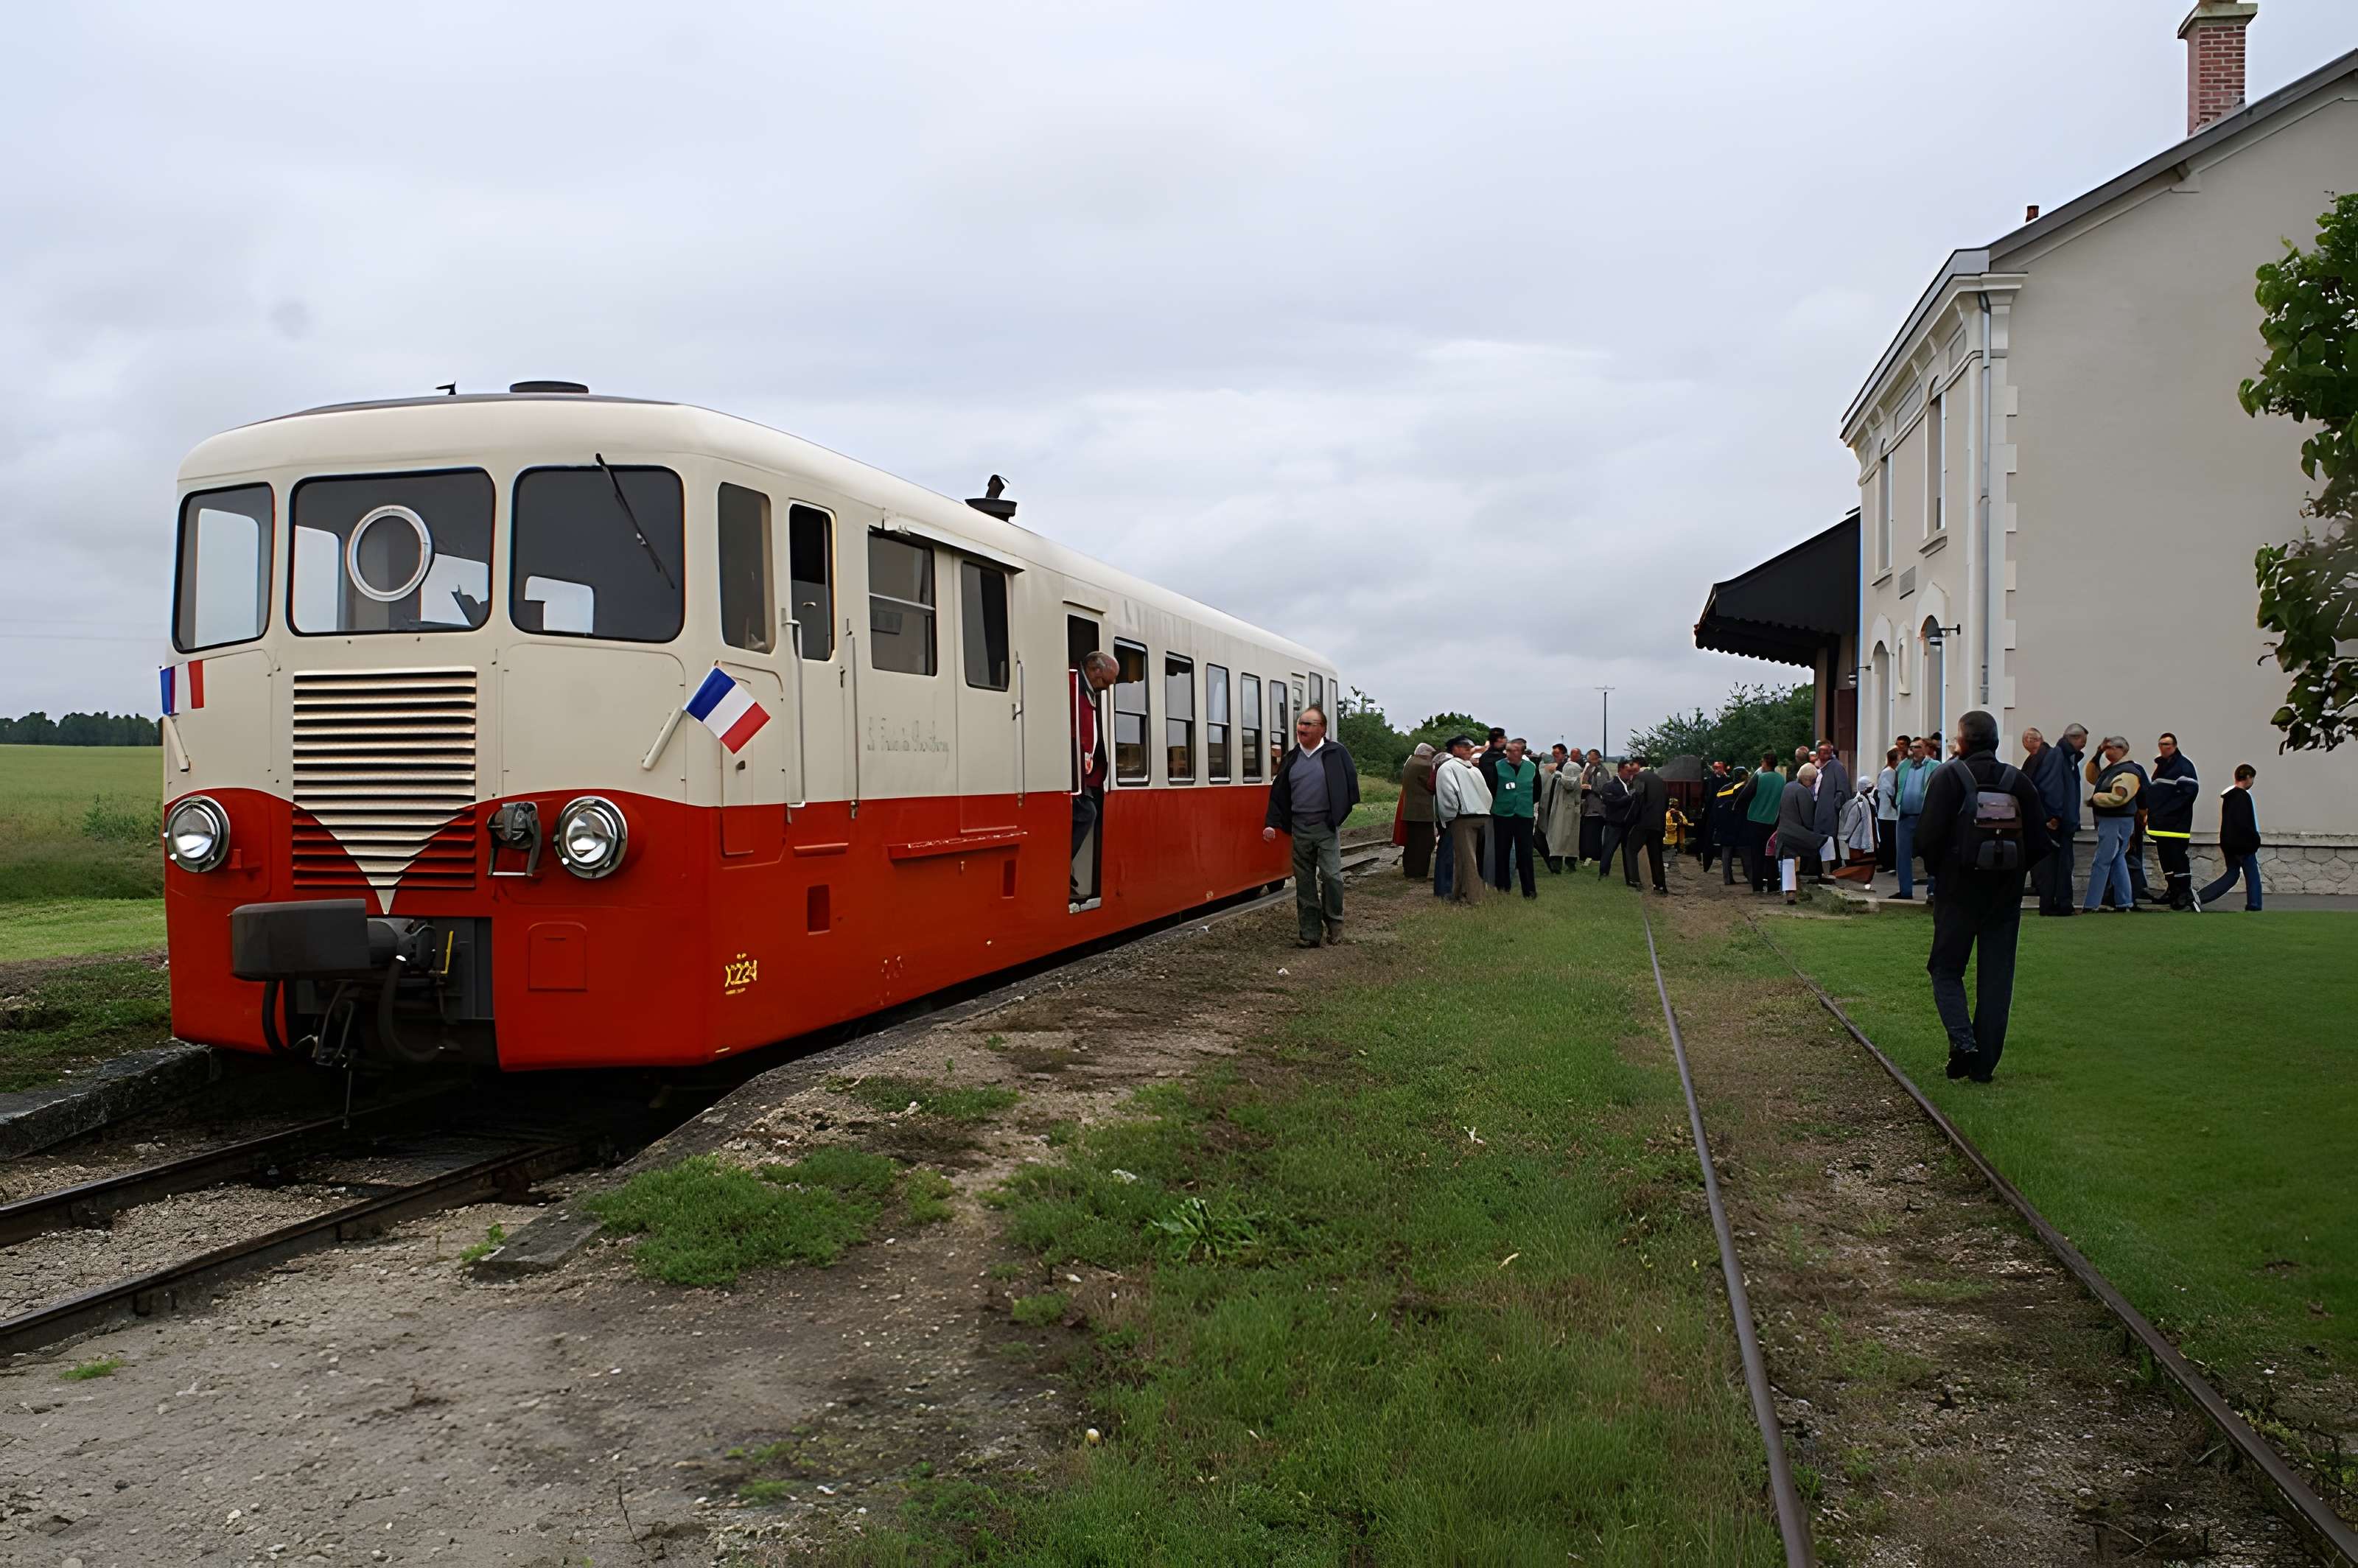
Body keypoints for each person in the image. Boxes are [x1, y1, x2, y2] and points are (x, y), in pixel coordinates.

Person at [1914, 710, 2051, 1082]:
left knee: (1945, 968)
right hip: (2004, 897)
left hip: (1957, 892)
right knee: (1996, 977)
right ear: (1995, 741)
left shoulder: (1948, 777)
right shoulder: (2018, 781)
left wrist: (1943, 870)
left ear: (1961, 741)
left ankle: (1963, 1041)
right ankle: (1984, 1064)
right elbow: (2040, 843)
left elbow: (1926, 838)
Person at [1262, 704, 1360, 948]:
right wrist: (1272, 823)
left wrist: (1336, 818)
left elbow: (1351, 789)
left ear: (1322, 729)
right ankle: (1309, 933)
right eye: (1300, 723)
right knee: (1304, 883)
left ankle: (1335, 922)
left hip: (1326, 826)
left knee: (1332, 877)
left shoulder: (1337, 754)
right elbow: (1279, 793)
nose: (1301, 728)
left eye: (1307, 724)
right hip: (1300, 827)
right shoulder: (1292, 758)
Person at [1070, 650, 1119, 903]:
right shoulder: (1074, 685)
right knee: (1086, 813)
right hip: (1073, 773)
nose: (1107, 689)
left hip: (1084, 773)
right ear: (1094, 669)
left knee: (1088, 813)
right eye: (1106, 682)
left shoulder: (1085, 688)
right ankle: (1062, 867)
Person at [2022, 724, 2084, 916]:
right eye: (2083, 741)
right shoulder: (2058, 756)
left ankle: (2058, 903)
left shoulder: (2057, 756)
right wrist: (2054, 816)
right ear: (2075, 738)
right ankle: (2056, 904)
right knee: (2057, 865)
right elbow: (2053, 787)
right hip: (2057, 821)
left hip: (2057, 819)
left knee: (2057, 864)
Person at [2081, 735, 2147, 914]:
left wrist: (2096, 799)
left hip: (2115, 819)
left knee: (2102, 861)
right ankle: (2125, 902)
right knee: (2118, 859)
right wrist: (2097, 754)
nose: (2108, 752)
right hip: (2119, 819)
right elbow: (2092, 776)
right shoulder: (2114, 769)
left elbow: (2119, 796)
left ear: (2121, 750)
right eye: (2106, 748)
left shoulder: (2127, 772)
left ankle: (2091, 904)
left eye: (2111, 748)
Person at [1432, 735, 1492, 905]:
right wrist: (1484, 810)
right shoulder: (1474, 770)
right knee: (1468, 857)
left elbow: (1447, 796)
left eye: (1469, 746)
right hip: (1481, 816)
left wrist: (1450, 817)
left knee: (1468, 859)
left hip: (1463, 817)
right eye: (1464, 746)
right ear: (1454, 749)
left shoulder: (1447, 768)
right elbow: (1488, 797)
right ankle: (1457, 892)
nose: (1468, 749)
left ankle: (1475, 898)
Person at [2197, 764, 2263, 911]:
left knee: (2232, 875)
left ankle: (2200, 897)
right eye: (2252, 778)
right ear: (2248, 778)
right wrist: (2254, 840)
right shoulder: (2243, 797)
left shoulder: (2229, 797)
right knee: (2252, 874)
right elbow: (2246, 822)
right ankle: (2255, 904)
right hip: (2243, 844)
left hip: (2229, 843)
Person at [2146, 732, 2200, 910]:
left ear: (2175, 746)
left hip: (2176, 825)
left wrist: (2166, 812)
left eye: (2168, 744)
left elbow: (2189, 793)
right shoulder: (2162, 767)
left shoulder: (2183, 766)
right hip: (2161, 826)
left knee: (2178, 858)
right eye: (2161, 744)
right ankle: (2172, 890)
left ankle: (2184, 893)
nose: (2164, 747)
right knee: (2166, 859)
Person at [1489, 738, 1539, 898]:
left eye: (1512, 750)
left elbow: (1537, 791)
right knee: (1501, 851)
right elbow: (1492, 788)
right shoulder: (1498, 766)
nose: (1508, 753)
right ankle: (1503, 886)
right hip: (1502, 814)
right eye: (1507, 750)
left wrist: (1525, 802)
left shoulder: (1532, 768)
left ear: (1522, 752)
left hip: (1524, 815)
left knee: (1525, 853)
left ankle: (1529, 891)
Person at [1892, 737, 1938, 900]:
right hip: (1905, 817)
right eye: (1912, 747)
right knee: (1903, 855)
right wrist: (1898, 804)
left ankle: (1933, 891)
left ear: (1926, 748)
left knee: (1931, 854)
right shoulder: (1903, 766)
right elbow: (1897, 787)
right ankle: (1905, 891)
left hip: (1925, 818)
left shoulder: (1935, 766)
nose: (1914, 750)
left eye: (1918, 747)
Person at [1621, 756, 1670, 894]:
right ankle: (1660, 885)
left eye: (1632, 764)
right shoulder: (1659, 780)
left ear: (1638, 765)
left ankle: (1634, 880)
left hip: (1644, 822)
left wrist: (1630, 820)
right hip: (1658, 822)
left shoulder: (1640, 778)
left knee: (1631, 848)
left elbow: (1638, 800)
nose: (1631, 767)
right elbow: (1666, 800)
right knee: (1656, 854)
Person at [1737, 752, 1784, 892]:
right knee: (1771, 854)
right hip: (1772, 821)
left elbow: (1745, 795)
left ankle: (1757, 885)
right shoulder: (1782, 780)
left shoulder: (1760, 778)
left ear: (1765, 763)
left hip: (1755, 819)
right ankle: (1773, 884)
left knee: (1756, 854)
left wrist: (1738, 808)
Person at [1774, 763, 1819, 903]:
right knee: (1824, 842)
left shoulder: (1788, 786)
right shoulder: (1803, 792)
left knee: (1788, 860)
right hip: (1797, 832)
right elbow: (1807, 820)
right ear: (1808, 780)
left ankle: (1790, 894)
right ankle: (1826, 874)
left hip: (1784, 831)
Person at [1398, 743, 1438, 881]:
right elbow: (1432, 785)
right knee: (1426, 843)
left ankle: (1410, 872)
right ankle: (1419, 874)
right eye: (1431, 755)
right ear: (1426, 753)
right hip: (1423, 811)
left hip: (1411, 809)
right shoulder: (1424, 766)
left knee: (1412, 842)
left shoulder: (1410, 762)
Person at [1811, 741, 1850, 881]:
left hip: (1829, 811)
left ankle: (1832, 869)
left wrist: (1835, 805)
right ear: (1818, 753)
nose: (1827, 754)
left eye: (1829, 751)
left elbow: (1843, 790)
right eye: (1824, 751)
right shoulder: (1817, 768)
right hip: (1817, 809)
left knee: (1830, 839)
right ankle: (1819, 870)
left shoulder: (1837, 767)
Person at [1542, 743, 1584, 872]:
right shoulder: (1566, 778)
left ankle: (1559, 865)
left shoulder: (1557, 777)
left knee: (1559, 837)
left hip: (1562, 810)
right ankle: (1567, 863)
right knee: (1567, 838)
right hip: (1568, 810)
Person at [1593, 758, 1634, 879]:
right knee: (1609, 849)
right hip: (1614, 823)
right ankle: (1604, 872)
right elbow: (1612, 802)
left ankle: (1630, 875)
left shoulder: (1632, 785)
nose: (1630, 774)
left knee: (1629, 851)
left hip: (1628, 824)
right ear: (1621, 770)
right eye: (1628, 771)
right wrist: (1629, 797)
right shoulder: (1609, 786)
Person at [1708, 763, 1747, 885]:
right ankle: (1751, 877)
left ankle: (1727, 878)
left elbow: (1715, 807)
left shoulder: (1724, 789)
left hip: (1724, 826)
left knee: (1727, 852)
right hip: (1740, 826)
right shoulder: (1744, 789)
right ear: (1743, 776)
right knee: (1745, 853)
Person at [1839, 777, 1878, 889]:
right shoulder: (1858, 803)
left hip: (1871, 838)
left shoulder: (1871, 800)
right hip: (1859, 840)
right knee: (1859, 864)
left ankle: (1865, 882)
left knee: (1869, 863)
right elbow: (1852, 822)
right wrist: (1844, 836)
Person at [1577, 749, 1609, 867]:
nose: (1588, 761)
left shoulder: (1601, 771)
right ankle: (1585, 854)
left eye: (1590, 759)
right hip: (1587, 807)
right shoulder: (1589, 769)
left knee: (1594, 834)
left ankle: (1595, 856)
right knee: (1587, 833)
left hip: (1597, 809)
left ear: (1597, 758)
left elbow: (1604, 789)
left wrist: (1590, 787)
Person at [1875, 746, 1901, 872]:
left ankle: (1888, 863)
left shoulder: (1888, 771)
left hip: (1886, 811)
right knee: (1889, 839)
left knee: (1888, 838)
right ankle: (1889, 864)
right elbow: (1890, 790)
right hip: (1888, 812)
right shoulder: (1890, 772)